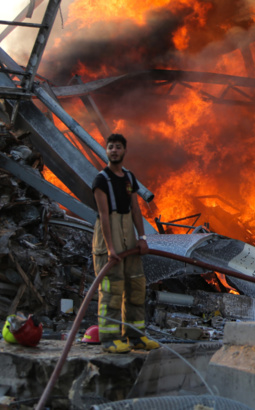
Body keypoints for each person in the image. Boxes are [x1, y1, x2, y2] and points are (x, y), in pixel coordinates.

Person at [92, 133, 159, 353]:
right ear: (106, 151)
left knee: (137, 286)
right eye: (110, 147)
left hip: (129, 236)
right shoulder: (101, 180)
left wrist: (142, 238)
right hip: (108, 235)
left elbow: (136, 209)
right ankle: (110, 339)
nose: (114, 150)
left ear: (124, 151)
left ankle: (136, 336)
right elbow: (103, 215)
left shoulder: (129, 178)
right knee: (112, 290)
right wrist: (111, 248)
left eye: (118, 147)